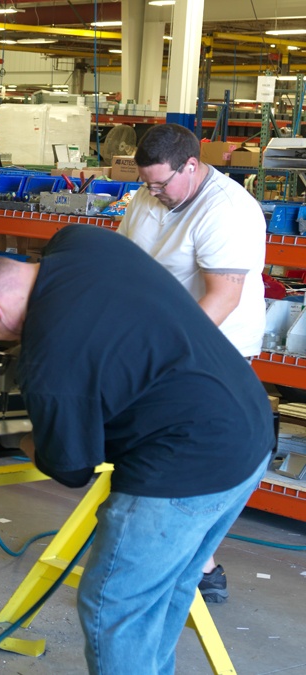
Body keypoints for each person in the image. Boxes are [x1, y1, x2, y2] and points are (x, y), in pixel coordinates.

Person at [0, 225, 273, 674]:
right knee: (169, 586)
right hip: (250, 430)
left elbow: (71, 467)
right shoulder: (83, 242)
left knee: (114, 606)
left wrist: (20, 437)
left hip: (183, 466)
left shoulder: (49, 359)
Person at [119, 123, 267, 603]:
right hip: (161, 338)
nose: (152, 192)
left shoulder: (226, 210)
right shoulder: (150, 196)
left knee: (192, 455)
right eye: (145, 183)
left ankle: (199, 564)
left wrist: (167, 356)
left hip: (212, 346)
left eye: (161, 183)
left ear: (191, 165)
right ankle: (194, 562)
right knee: (156, 447)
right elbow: (125, 262)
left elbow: (222, 298)